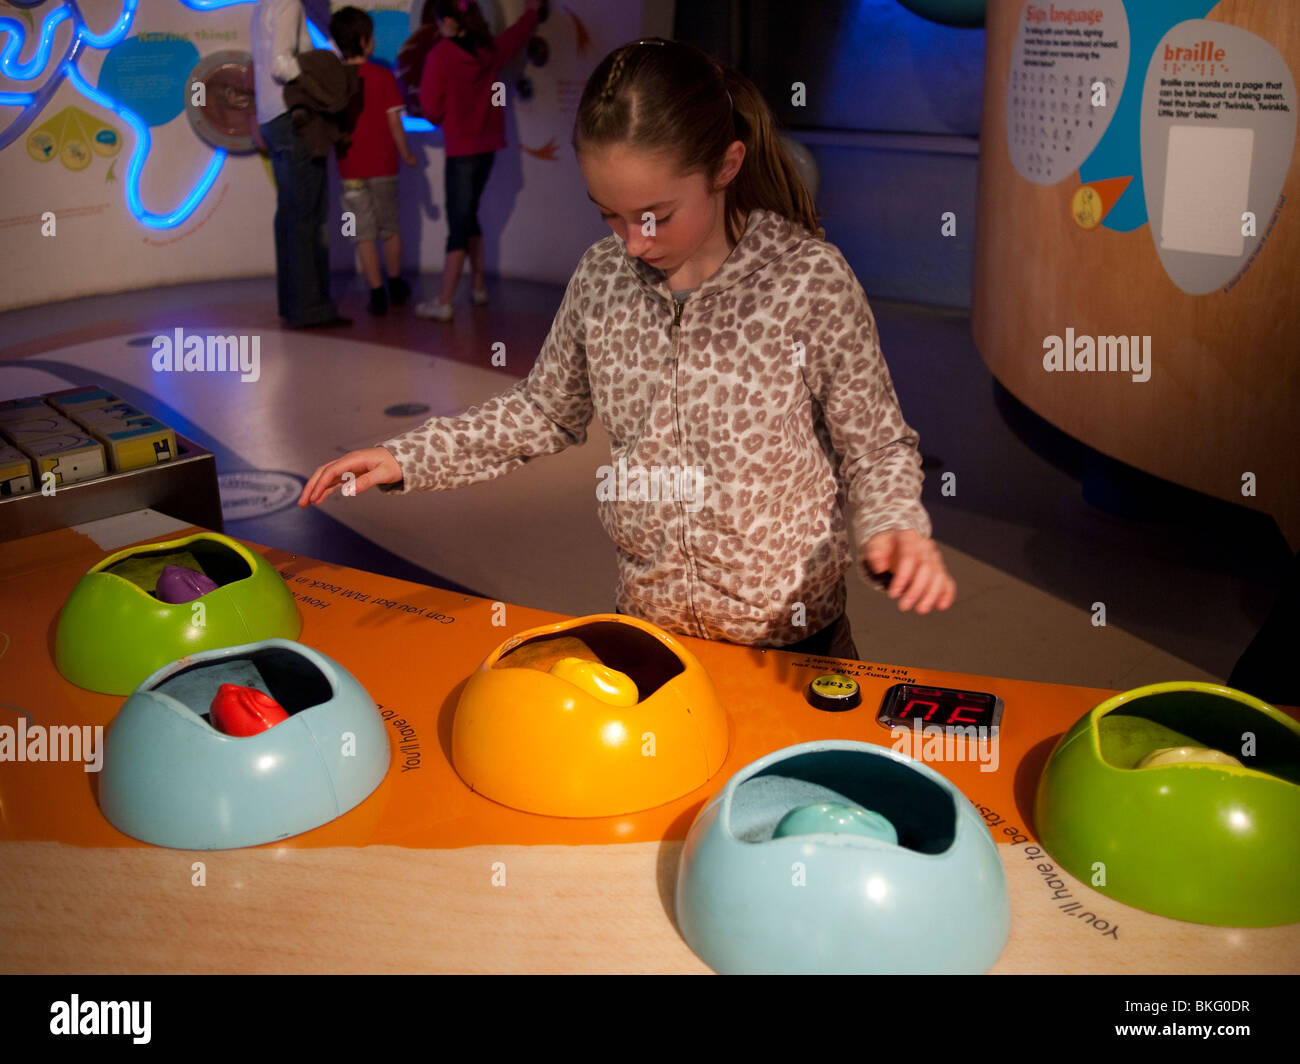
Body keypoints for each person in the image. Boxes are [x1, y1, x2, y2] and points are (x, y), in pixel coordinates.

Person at [299, 38, 956, 657]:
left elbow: (873, 446)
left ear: (726, 167)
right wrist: (408, 456)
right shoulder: (602, 275)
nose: (633, 242)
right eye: (608, 214)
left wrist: (894, 521)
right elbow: (545, 410)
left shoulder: (808, 280)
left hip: (790, 648)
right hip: (653, 639)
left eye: (655, 216)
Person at [414, 0, 541, 321]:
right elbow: (515, 37)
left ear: (449, 22)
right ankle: (479, 287)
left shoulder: (439, 56)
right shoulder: (489, 50)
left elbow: (430, 110)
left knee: (457, 224)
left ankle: (444, 301)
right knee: (468, 216)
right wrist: (532, 12)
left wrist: (446, 114)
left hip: (460, 152)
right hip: (487, 149)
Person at [251, 0, 350, 329]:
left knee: (291, 214)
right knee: (309, 216)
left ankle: (293, 304)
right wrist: (320, 92)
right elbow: (283, 63)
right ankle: (312, 308)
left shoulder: (263, 6)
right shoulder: (289, 3)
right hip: (294, 118)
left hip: (271, 117)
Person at [329, 6, 417, 316]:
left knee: (362, 233)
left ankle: (376, 291)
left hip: (349, 168)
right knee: (389, 228)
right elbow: (395, 122)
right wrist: (406, 153)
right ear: (365, 40)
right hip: (383, 167)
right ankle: (395, 283)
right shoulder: (382, 75)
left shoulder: (335, 79)